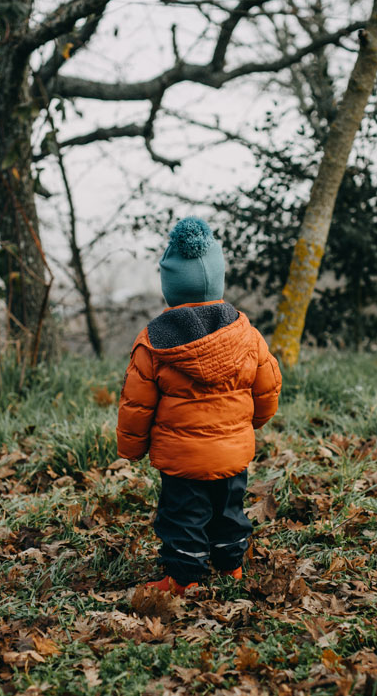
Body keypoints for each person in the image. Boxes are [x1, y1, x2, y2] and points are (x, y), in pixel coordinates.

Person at [117, 216, 282, 596]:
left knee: (182, 517)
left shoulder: (154, 342)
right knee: (229, 512)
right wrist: (252, 422)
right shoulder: (246, 333)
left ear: (170, 288)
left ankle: (184, 575)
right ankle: (230, 567)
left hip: (182, 458)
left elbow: (136, 403)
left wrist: (131, 447)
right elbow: (268, 387)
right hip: (232, 452)